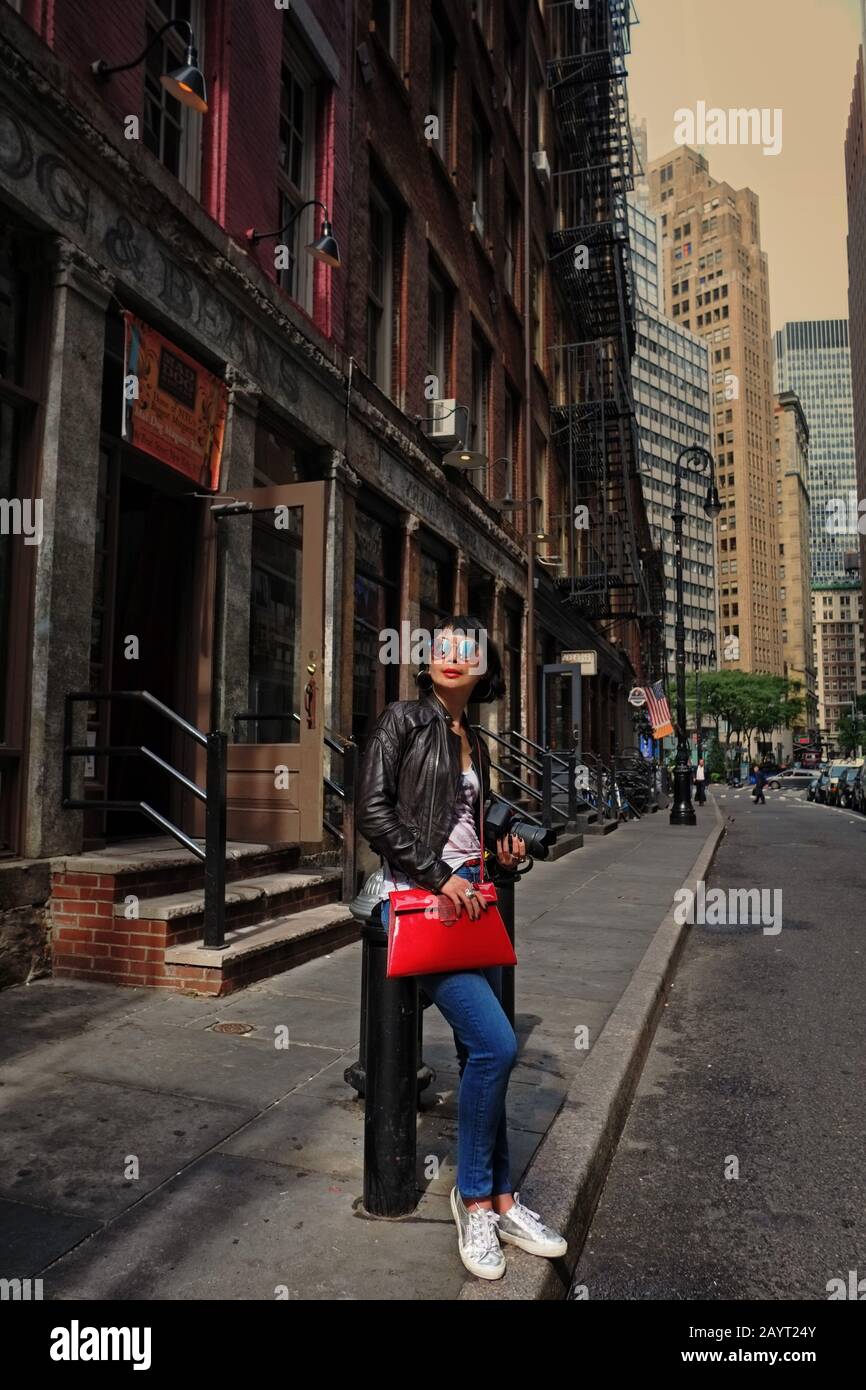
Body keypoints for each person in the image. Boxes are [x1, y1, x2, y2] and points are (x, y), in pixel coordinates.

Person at [356, 615, 567, 1281]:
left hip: (471, 906)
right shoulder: (403, 721)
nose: (453, 656)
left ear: (483, 669)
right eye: (443, 646)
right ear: (427, 661)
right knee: (499, 1046)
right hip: (421, 909)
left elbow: (464, 828)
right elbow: (374, 812)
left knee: (489, 1051)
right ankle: (473, 1198)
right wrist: (440, 876)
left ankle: (504, 1199)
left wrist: (497, 855)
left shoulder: (469, 734)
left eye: (467, 650)